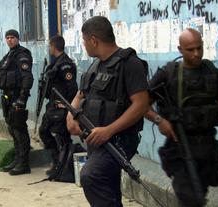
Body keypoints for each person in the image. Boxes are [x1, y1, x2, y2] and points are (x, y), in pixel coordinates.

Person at [145, 28, 218, 206]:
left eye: (200, 48)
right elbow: (141, 104)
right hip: (179, 146)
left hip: (207, 147)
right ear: (180, 50)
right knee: (190, 196)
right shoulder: (168, 74)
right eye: (190, 50)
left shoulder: (212, 73)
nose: (197, 54)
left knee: (199, 193)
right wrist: (159, 120)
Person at [67, 16, 150, 207]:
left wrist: (109, 130)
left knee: (91, 176)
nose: (84, 45)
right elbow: (80, 95)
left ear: (94, 41)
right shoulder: (96, 66)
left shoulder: (130, 64)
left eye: (84, 41)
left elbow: (141, 105)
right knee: (108, 188)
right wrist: (71, 115)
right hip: (96, 139)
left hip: (119, 140)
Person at [0, 29, 34, 175]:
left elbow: (27, 78)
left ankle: (24, 163)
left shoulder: (22, 55)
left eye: (12, 37)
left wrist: (22, 99)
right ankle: (17, 159)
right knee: (12, 128)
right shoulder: (9, 55)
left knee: (19, 129)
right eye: (7, 38)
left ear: (17, 39)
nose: (10, 40)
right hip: (7, 97)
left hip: (17, 97)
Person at [39, 35, 78, 176]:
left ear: (53, 46)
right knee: (44, 131)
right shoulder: (55, 64)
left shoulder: (65, 64)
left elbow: (72, 88)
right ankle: (57, 162)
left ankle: (63, 167)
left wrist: (67, 106)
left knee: (61, 137)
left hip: (61, 107)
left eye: (50, 46)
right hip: (52, 105)